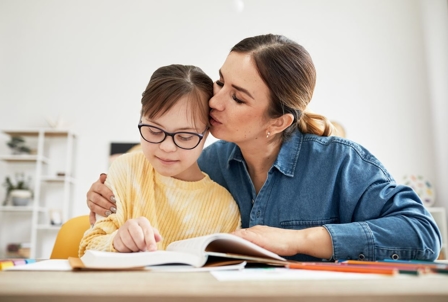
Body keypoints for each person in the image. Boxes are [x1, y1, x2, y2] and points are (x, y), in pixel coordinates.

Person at [86, 34, 441, 262]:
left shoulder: (341, 162)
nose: (215, 101)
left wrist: (300, 239)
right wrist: (105, 193)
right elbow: (148, 174)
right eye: (220, 82)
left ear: (278, 123)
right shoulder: (212, 161)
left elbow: (423, 235)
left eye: (237, 97)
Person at [79, 64, 240, 256]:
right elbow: (88, 246)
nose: (167, 147)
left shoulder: (223, 206)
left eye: (185, 137)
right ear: (141, 118)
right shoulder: (127, 170)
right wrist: (116, 241)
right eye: (154, 131)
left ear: (207, 133)